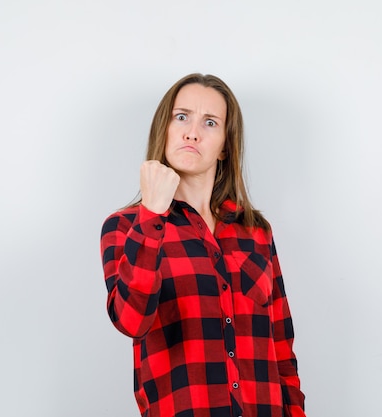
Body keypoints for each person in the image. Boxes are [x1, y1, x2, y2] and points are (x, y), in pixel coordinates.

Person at [100, 73, 306, 417]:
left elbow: (282, 346)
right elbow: (130, 321)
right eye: (181, 117)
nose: (192, 132)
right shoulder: (125, 228)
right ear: (164, 130)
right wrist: (152, 213)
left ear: (225, 144)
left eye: (210, 122)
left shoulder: (255, 232)